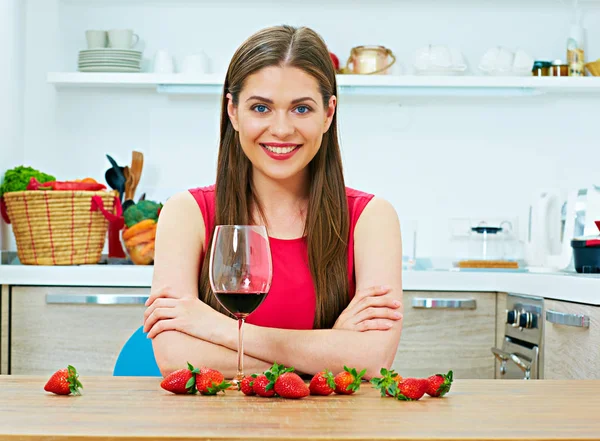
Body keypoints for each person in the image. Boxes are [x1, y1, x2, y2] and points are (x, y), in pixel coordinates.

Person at [143, 25, 403, 380]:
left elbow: (373, 360)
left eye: (301, 109)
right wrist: (332, 350)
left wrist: (217, 329)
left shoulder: (371, 218)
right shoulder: (186, 213)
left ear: (328, 114)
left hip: (332, 433)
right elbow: (175, 357)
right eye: (261, 107)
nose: (281, 129)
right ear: (233, 111)